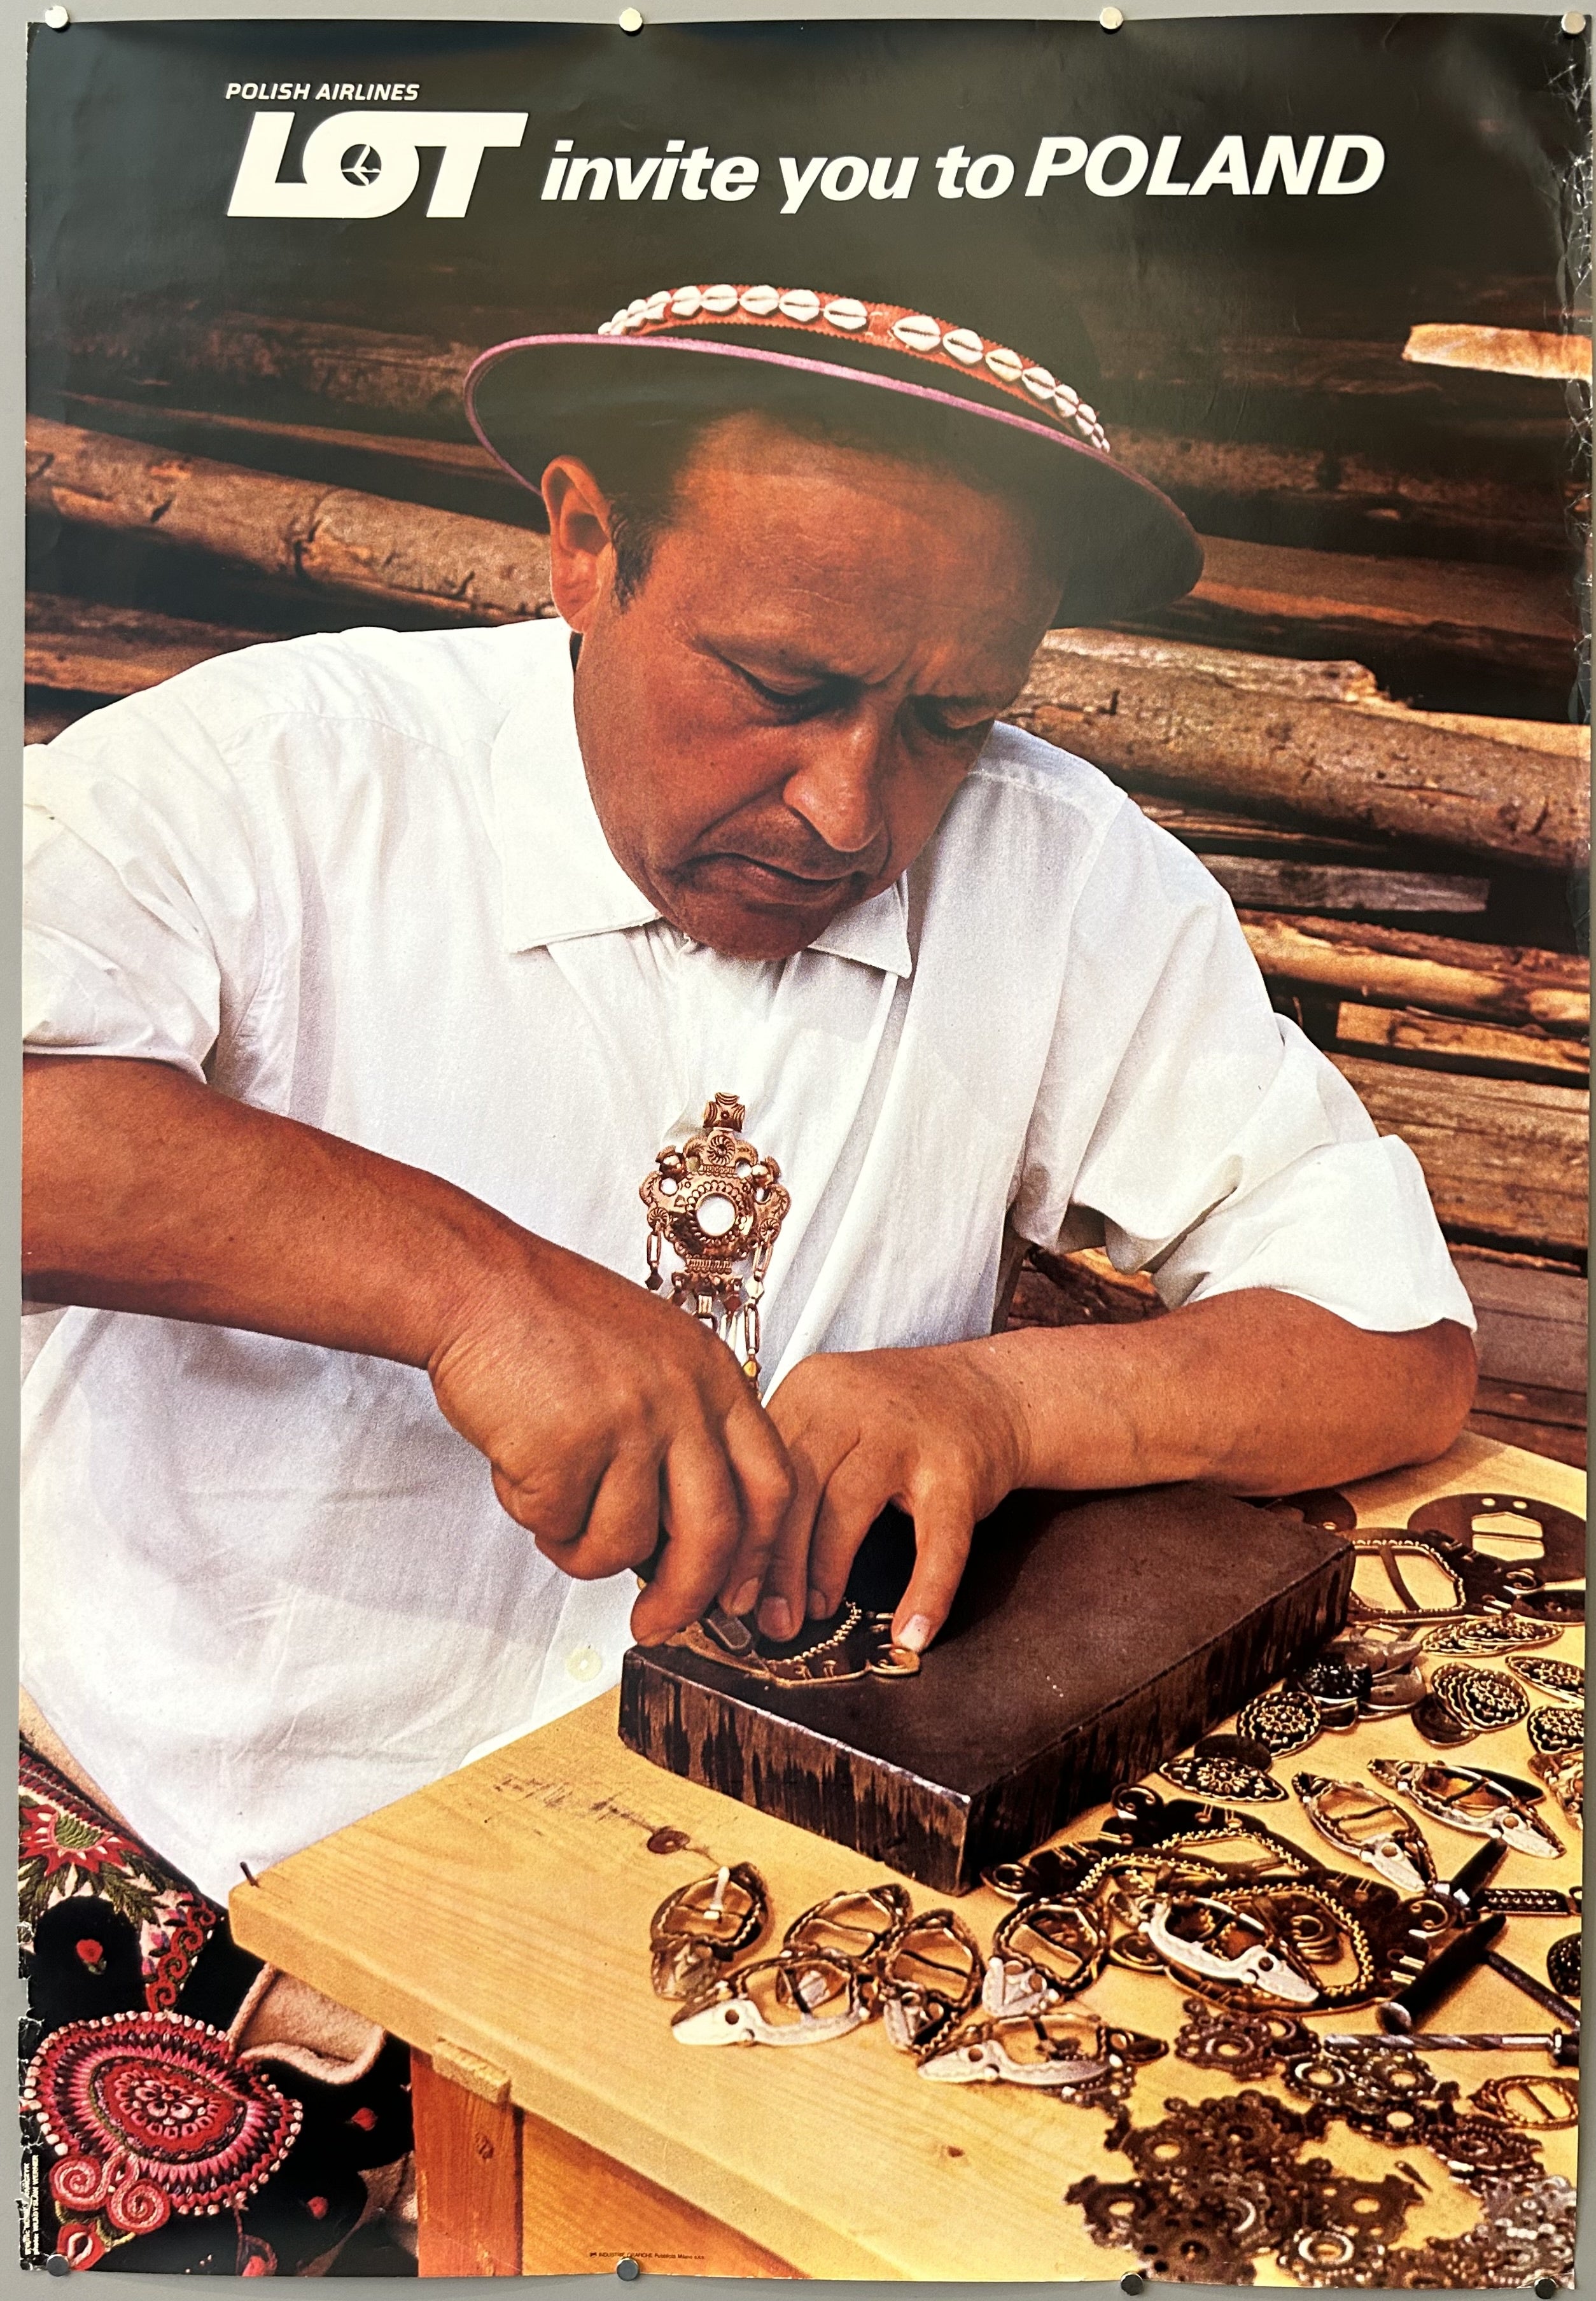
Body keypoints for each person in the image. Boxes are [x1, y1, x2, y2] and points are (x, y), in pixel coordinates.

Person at [23, 281, 1477, 1903]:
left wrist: (999, 1404)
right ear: (583, 543)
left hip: (727, 1869)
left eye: (951, 717)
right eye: (782, 685)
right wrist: (472, 1292)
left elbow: (1393, 1349)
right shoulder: (267, 774)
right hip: (196, 1845)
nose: (854, 810)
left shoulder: (1066, 879)